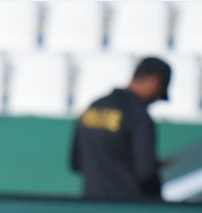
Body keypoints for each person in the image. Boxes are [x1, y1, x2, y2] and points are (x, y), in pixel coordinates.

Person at [70, 56, 172, 201]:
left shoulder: (94, 107)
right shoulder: (138, 115)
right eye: (159, 93)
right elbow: (146, 173)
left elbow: (76, 163)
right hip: (127, 207)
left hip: (92, 204)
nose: (155, 100)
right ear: (155, 82)